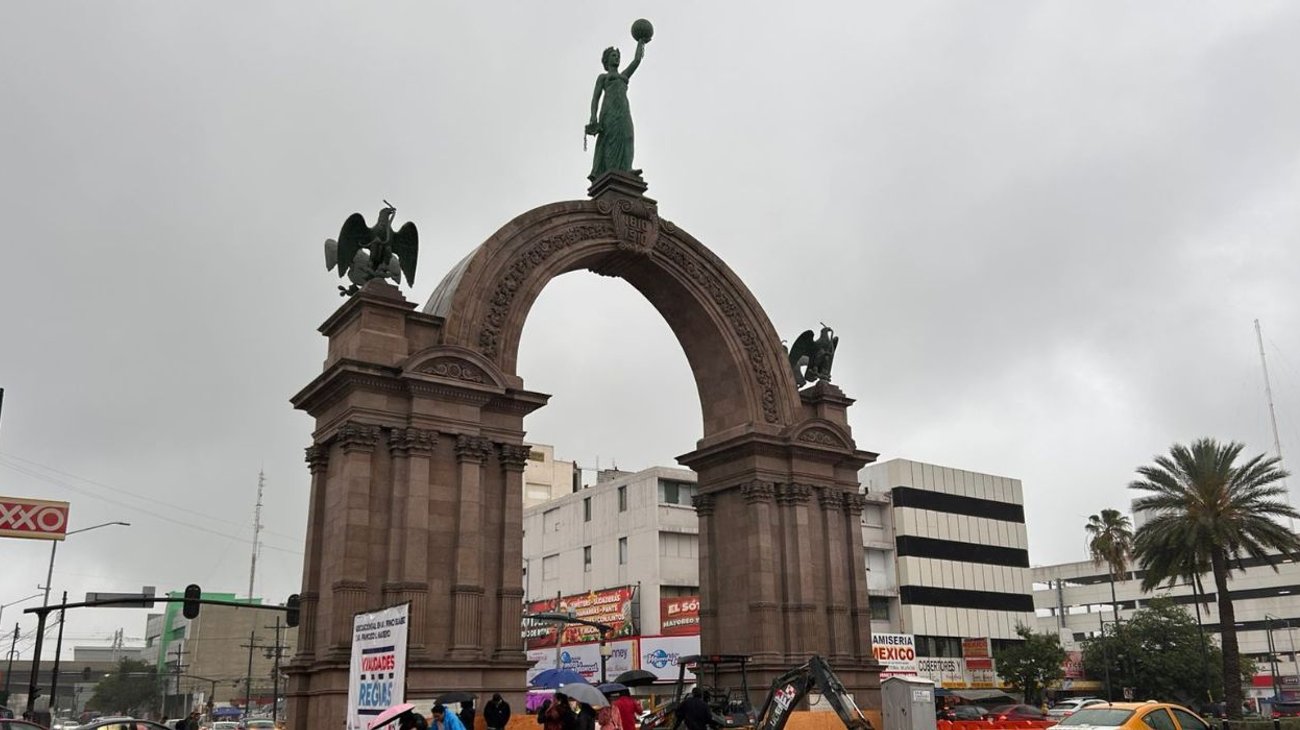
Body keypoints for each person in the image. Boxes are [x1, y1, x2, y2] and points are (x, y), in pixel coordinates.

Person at [585, 37, 648, 181]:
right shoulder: (603, 77)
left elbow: (637, 60)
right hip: (609, 112)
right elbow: (595, 98)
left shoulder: (624, 76)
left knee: (628, 136)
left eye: (618, 56)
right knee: (610, 139)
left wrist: (641, 42)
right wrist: (593, 116)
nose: (617, 58)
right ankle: (608, 170)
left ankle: (627, 168)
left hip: (624, 111)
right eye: (614, 56)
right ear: (606, 60)